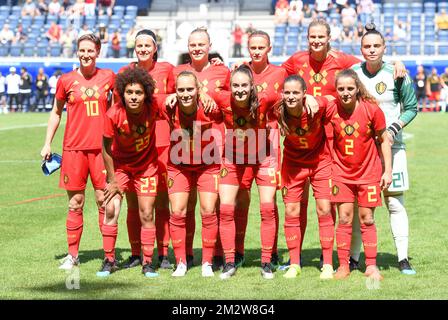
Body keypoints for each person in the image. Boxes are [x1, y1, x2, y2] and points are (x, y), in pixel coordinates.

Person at [40, 34, 115, 270]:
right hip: (73, 150)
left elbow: (119, 107)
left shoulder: (109, 77)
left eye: (90, 50)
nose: (86, 55)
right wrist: (47, 143)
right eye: (82, 50)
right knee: (75, 203)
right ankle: (73, 256)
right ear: (77, 52)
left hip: (102, 151)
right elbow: (56, 112)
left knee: (105, 201)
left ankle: (109, 257)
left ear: (98, 52)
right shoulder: (66, 80)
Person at [350, 24, 418, 275]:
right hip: (362, 151)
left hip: (393, 147)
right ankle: (354, 259)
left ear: (384, 48)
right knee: (360, 206)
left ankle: (402, 259)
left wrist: (392, 129)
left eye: (376, 46)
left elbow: (411, 107)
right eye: (367, 46)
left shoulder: (397, 73)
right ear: (361, 49)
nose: (371, 50)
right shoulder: (353, 73)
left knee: (394, 203)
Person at [116, 29, 176, 270]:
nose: (142, 49)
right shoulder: (125, 73)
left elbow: (179, 92)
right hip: (133, 146)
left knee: (161, 202)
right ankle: (135, 253)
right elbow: (117, 109)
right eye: (139, 45)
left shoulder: (168, 69)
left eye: (147, 46)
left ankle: (163, 253)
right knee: (133, 203)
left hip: (162, 144)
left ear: (155, 48)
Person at [172, 27, 231, 270]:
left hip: (213, 148)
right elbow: (168, 94)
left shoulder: (222, 70)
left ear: (209, 46)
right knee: (185, 206)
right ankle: (185, 255)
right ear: (188, 47)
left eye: (201, 44)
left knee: (213, 206)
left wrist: (210, 98)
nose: (197, 48)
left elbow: (230, 101)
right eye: (193, 44)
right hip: (183, 147)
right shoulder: (177, 71)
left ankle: (216, 254)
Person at [216, 65, 279, 280]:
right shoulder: (222, 99)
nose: (240, 90)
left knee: (268, 208)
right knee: (225, 210)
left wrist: (308, 98)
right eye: (235, 85)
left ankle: (266, 262)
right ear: (230, 86)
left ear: (252, 86)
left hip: (263, 157)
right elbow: (200, 91)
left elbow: (290, 95)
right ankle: (229, 261)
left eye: (244, 85)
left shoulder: (265, 98)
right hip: (233, 159)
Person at [329, 69, 392, 280]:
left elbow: (385, 141)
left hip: (369, 173)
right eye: (341, 89)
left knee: (367, 218)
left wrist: (388, 171)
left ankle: (372, 266)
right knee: (344, 218)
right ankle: (343, 266)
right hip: (341, 174)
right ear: (336, 90)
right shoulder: (331, 110)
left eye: (349, 88)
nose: (345, 93)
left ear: (357, 89)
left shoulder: (372, 110)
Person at [99, 66, 160, 278]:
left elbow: (175, 104)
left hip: (147, 167)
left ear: (146, 94)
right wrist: (113, 179)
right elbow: (105, 147)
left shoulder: (154, 107)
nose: (133, 97)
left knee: (146, 213)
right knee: (110, 209)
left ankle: (148, 262)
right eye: (129, 92)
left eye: (139, 93)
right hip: (121, 167)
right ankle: (109, 260)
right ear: (122, 92)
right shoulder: (113, 114)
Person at [277, 75, 335, 279]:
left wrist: (315, 98)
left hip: (320, 161)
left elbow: (332, 100)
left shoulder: (315, 106)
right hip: (293, 163)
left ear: (304, 94)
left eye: (296, 93)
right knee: (291, 210)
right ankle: (294, 263)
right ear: (282, 94)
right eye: (287, 93)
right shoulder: (278, 111)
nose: (291, 97)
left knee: (324, 208)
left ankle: (327, 263)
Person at [165, 71, 222, 277]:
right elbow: (146, 97)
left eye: (190, 89)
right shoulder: (169, 107)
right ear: (175, 91)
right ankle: (181, 262)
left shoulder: (209, 107)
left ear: (198, 90)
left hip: (207, 165)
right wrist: (165, 97)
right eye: (181, 90)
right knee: (178, 211)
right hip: (179, 165)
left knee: (208, 210)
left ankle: (207, 262)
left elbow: (229, 107)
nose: (185, 94)